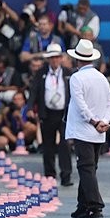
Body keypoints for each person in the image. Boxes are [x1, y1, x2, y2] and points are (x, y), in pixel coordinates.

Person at [65, 40, 110, 218]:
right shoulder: (102, 77)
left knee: (86, 168)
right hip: (99, 130)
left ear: (77, 59)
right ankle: (83, 205)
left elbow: (80, 105)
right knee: (90, 168)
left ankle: (94, 206)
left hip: (84, 129)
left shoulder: (77, 78)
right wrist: (104, 121)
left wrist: (94, 121)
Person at [30, 44, 73, 187]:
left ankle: (66, 175)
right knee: (48, 145)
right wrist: (30, 107)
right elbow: (34, 91)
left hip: (64, 114)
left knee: (65, 144)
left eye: (57, 57)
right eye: (52, 58)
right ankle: (50, 175)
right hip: (47, 113)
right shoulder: (41, 73)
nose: (54, 60)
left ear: (61, 58)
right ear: (48, 59)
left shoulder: (68, 73)